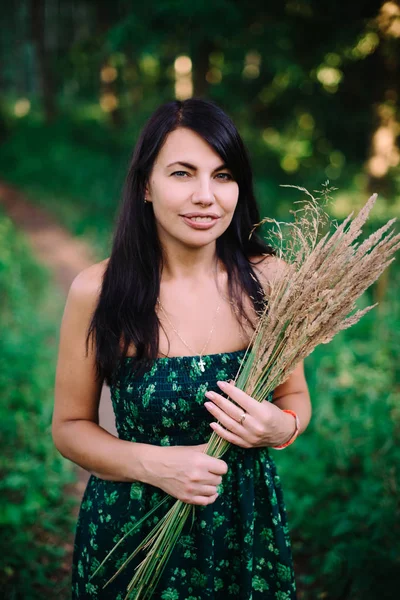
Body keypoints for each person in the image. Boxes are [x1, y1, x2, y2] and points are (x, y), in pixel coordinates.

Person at [52, 97, 311, 600]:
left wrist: (282, 427)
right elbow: (69, 429)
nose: (206, 196)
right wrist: (157, 465)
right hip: (132, 534)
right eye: (182, 173)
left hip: (244, 529)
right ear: (145, 185)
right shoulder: (98, 291)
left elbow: (294, 398)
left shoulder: (270, 282)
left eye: (223, 175)